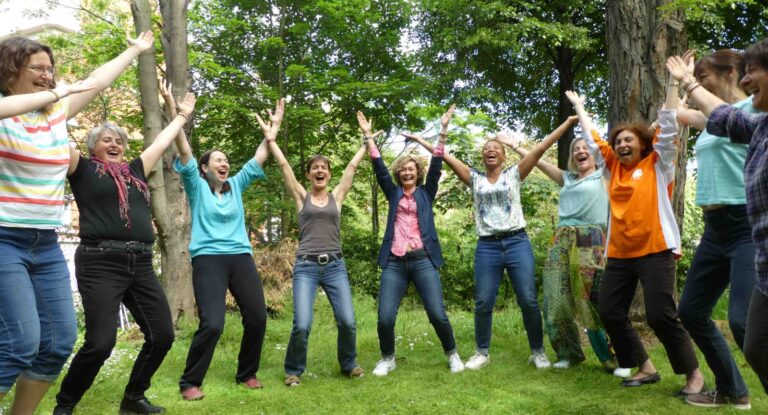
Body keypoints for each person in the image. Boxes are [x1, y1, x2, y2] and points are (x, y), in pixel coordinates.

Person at [0, 32, 153, 414]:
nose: (48, 76)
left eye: (51, 70)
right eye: (38, 68)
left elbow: (99, 80)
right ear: (10, 68)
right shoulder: (7, 111)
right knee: (20, 342)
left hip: (46, 244)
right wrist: (59, 93)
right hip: (4, 241)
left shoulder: (53, 116)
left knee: (57, 343)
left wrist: (134, 49)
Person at [52, 86, 195, 415]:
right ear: (92, 148)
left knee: (162, 335)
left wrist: (183, 115)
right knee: (101, 343)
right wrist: (48, 104)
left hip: (141, 263)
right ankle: (65, 405)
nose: (114, 144)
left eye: (119, 140)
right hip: (99, 262)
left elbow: (160, 142)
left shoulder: (135, 171)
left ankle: (133, 398)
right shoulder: (82, 168)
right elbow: (55, 129)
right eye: (106, 139)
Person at [406, 117, 577, 372]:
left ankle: (538, 352)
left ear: (504, 156)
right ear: (483, 157)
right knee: (484, 301)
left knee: (528, 299)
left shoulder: (515, 173)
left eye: (496, 149)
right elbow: (445, 156)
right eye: (486, 149)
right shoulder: (474, 179)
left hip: (517, 241)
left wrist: (569, 121)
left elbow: (541, 147)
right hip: (487, 247)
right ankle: (482, 352)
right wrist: (421, 140)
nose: (490, 150)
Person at [565, 88, 704, 394]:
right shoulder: (613, 167)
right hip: (619, 254)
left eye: (629, 139)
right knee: (611, 311)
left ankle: (693, 374)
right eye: (618, 141)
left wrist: (670, 87)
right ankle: (645, 367)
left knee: (660, 314)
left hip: (656, 251)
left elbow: (667, 130)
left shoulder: (658, 164)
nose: (622, 144)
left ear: (644, 143)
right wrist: (579, 106)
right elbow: (592, 139)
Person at [668, 39, 768, 406]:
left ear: (731, 72)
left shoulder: (755, 110)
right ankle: (732, 390)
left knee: (744, 322)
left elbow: (722, 115)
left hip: (745, 224)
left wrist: (688, 84)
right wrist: (677, 88)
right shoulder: (721, 115)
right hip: (715, 228)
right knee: (691, 310)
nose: (700, 81)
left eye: (704, 75)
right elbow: (681, 116)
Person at [257, 99, 368, 386]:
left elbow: (352, 169)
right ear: (308, 174)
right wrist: (272, 137)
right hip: (306, 267)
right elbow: (283, 165)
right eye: (315, 167)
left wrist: (366, 140)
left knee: (347, 321)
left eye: (324, 167)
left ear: (329, 174)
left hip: (335, 266)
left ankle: (349, 363)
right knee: (302, 324)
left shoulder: (337, 198)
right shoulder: (301, 197)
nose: (320, 170)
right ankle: (293, 370)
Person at [498, 122, 621, 374]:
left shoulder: (606, 175)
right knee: (555, 299)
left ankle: (609, 356)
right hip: (561, 238)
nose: (580, 151)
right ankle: (569, 353)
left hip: (591, 239)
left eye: (585, 147)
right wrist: (514, 146)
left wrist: (581, 117)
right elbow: (539, 162)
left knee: (588, 300)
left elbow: (602, 150)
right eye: (576, 148)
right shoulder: (567, 178)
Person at [175, 99, 271, 400]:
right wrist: (180, 115)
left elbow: (259, 158)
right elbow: (185, 152)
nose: (224, 163)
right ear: (205, 168)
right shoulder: (197, 186)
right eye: (217, 160)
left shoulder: (237, 185)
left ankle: (247, 373)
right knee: (213, 323)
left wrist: (272, 133)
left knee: (257, 317)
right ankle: (190, 381)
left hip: (240, 256)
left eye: (226, 159)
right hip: (208, 258)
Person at [359, 106, 465, 376]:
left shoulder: (427, 193)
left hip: (422, 260)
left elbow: (438, 164)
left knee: (437, 313)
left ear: (418, 172)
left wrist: (442, 132)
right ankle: (387, 358)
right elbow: (379, 169)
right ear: (399, 174)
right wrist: (369, 137)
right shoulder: (393, 193)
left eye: (411, 169)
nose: (407, 172)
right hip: (394, 262)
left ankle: (452, 354)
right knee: (384, 317)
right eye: (403, 170)